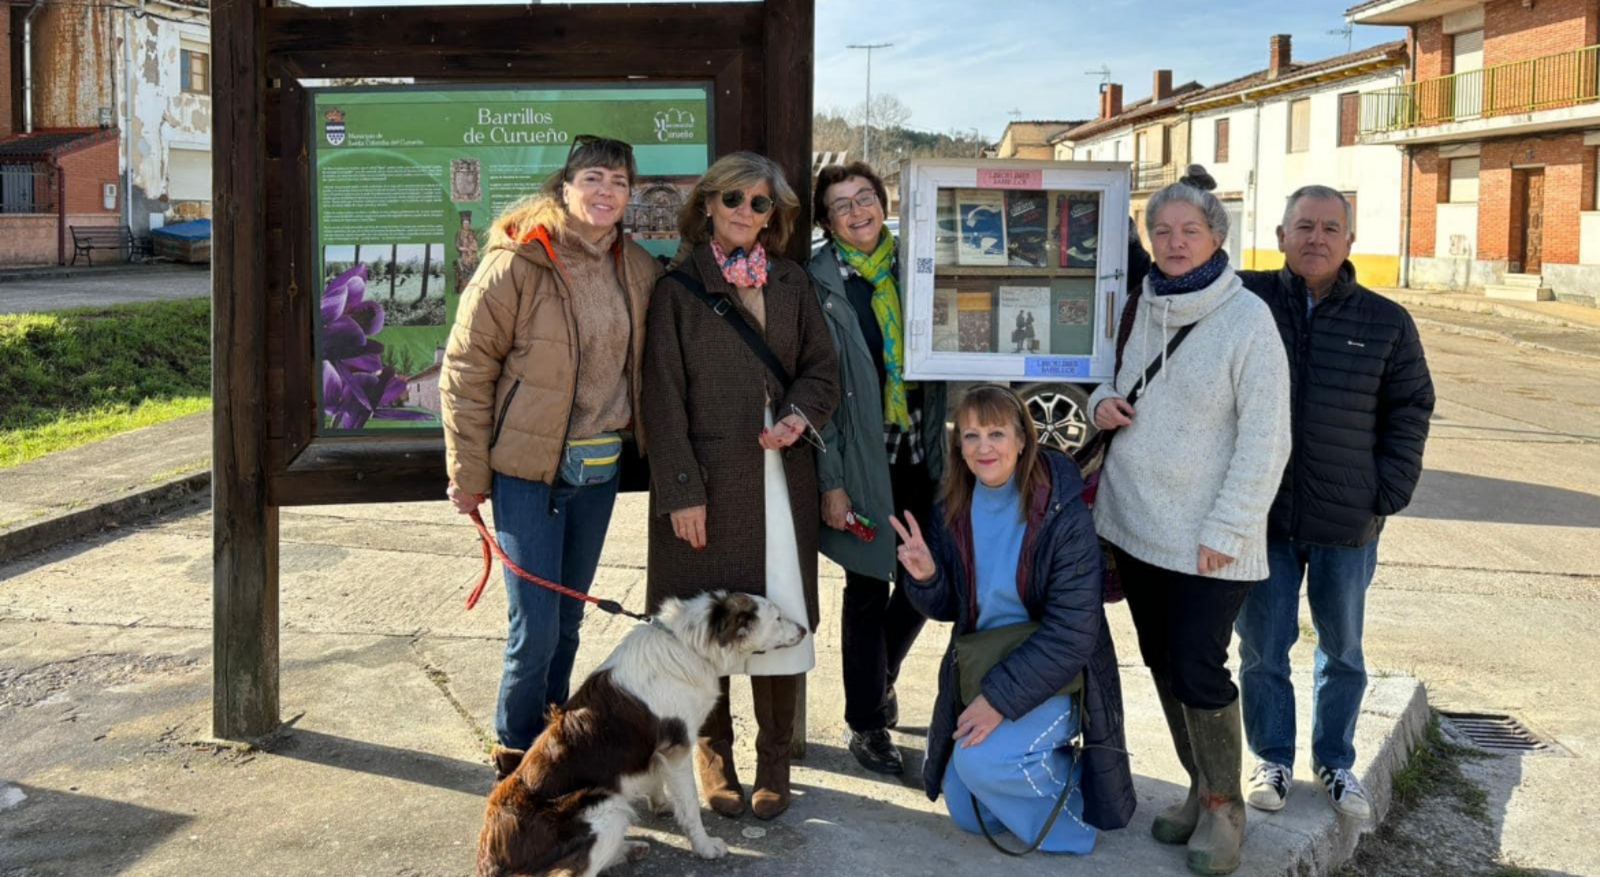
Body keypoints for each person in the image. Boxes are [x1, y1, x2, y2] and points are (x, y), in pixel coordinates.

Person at [1087, 166, 1291, 875]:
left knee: (1202, 666)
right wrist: (1102, 403)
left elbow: (1268, 439)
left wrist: (1228, 530)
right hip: (1135, 520)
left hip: (1208, 535)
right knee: (1163, 660)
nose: (1174, 243)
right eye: (1162, 231)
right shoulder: (1143, 301)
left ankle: (1224, 810)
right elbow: (1110, 378)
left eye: (1189, 230)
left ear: (1217, 237)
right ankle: (1200, 785)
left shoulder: (1247, 319)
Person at [437, 135, 661, 777]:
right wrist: (467, 471)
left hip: (597, 473)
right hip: (526, 475)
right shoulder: (518, 260)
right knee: (531, 630)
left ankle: (552, 744)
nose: (605, 192)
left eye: (618, 182)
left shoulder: (638, 268)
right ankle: (513, 759)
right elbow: (466, 368)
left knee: (568, 622)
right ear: (564, 187)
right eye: (593, 178)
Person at [642, 151, 840, 820]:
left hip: (783, 478)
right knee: (710, 623)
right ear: (708, 206)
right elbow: (660, 399)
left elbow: (822, 370)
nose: (747, 213)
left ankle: (775, 760)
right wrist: (680, 491)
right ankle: (714, 755)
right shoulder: (677, 287)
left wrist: (797, 414)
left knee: (781, 612)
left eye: (761, 204)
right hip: (709, 485)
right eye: (734, 200)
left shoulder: (791, 282)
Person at [1234, 186, 1434, 819]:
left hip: (1348, 523)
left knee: (1341, 649)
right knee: (1264, 648)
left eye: (1329, 228)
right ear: (1280, 234)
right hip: (1261, 517)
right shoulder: (1244, 301)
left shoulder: (1386, 321)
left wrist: (1388, 488)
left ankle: (1336, 764)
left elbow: (1411, 406)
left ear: (1349, 240)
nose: (1316, 238)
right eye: (1303, 226)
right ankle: (1271, 759)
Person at [891, 385, 1135, 853]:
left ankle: (1072, 824)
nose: (984, 447)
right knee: (966, 812)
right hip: (987, 665)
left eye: (997, 433)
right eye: (971, 435)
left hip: (1053, 671)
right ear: (958, 446)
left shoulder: (1062, 510)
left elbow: (1072, 633)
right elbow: (948, 609)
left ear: (1024, 439)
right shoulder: (952, 508)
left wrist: (997, 702)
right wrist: (926, 577)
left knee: (982, 766)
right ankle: (1041, 762)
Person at [806, 162, 946, 776]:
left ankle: (879, 671)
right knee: (867, 585)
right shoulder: (818, 280)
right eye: (842, 204)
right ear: (826, 220)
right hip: (862, 453)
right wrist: (830, 478)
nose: (858, 210)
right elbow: (817, 386)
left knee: (929, 573)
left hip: (923, 448)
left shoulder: (918, 265)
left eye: (866, 197)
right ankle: (866, 721)